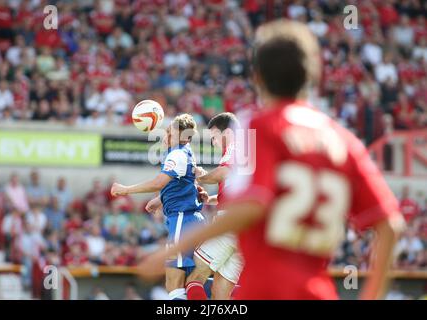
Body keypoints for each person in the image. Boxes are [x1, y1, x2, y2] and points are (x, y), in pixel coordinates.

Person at [138, 20, 405, 300]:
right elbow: (390, 225)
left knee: (200, 278)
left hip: (266, 289)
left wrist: (171, 250)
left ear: (259, 78)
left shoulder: (260, 126)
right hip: (318, 291)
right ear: (313, 74)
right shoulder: (343, 140)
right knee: (221, 291)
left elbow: (254, 203)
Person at [111, 114, 206, 300]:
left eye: (171, 132)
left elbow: (158, 182)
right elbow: (182, 185)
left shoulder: (177, 154)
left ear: (185, 136)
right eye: (167, 131)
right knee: (189, 281)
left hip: (182, 219)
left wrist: (125, 190)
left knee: (173, 283)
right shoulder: (183, 152)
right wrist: (160, 200)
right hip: (185, 220)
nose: (166, 135)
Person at [184, 112, 244, 300]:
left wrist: (200, 176)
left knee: (193, 278)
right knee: (220, 294)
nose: (214, 143)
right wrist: (209, 198)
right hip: (245, 229)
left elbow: (224, 172)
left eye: (214, 137)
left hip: (229, 223)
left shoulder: (236, 146)